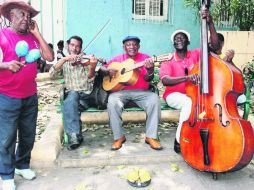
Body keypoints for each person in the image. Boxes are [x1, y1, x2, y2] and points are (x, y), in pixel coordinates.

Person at [0, 1, 54, 190]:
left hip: (30, 95)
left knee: (28, 135)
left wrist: (37, 33)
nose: (26, 18)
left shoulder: (32, 38)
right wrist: (6, 65)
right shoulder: (2, 35)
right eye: (22, 14)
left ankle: (22, 166)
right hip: (7, 96)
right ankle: (6, 175)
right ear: (11, 16)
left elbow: (49, 57)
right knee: (6, 138)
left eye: (28, 15)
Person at [159, 8, 219, 154]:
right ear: (173, 44)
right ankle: (179, 140)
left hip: (195, 94)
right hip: (173, 96)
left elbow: (216, 47)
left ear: (188, 42)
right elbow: (165, 81)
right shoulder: (168, 59)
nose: (179, 40)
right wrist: (187, 78)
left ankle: (209, 137)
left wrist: (210, 23)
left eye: (182, 38)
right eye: (176, 39)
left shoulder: (196, 54)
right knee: (188, 102)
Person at [100, 36, 162, 151]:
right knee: (112, 101)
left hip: (142, 93)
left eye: (134, 44)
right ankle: (119, 137)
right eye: (128, 45)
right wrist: (108, 71)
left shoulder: (145, 58)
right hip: (121, 92)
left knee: (154, 99)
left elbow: (149, 79)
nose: (132, 47)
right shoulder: (118, 59)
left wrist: (150, 70)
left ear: (138, 46)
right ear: (124, 47)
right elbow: (102, 68)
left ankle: (151, 136)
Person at [49, 36, 98, 150]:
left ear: (81, 48)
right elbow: (52, 75)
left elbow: (90, 79)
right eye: (72, 45)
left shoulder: (85, 60)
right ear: (68, 45)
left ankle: (74, 136)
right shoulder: (64, 61)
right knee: (72, 97)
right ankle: (75, 137)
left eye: (78, 46)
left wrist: (93, 66)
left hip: (86, 97)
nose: (75, 48)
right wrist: (64, 59)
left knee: (70, 103)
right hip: (73, 96)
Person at [212, 32, 246, 104]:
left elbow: (238, 74)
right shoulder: (206, 57)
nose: (212, 43)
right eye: (211, 41)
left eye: (215, 41)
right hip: (212, 90)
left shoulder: (227, 57)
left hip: (225, 90)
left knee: (240, 98)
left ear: (222, 44)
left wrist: (230, 62)